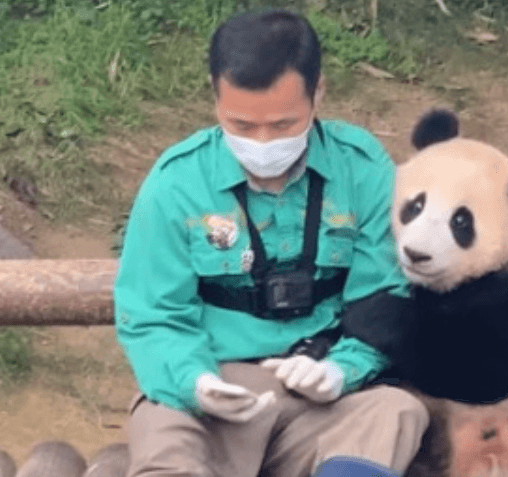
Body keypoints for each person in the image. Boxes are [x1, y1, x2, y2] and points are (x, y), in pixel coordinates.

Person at [113, 8, 429, 477]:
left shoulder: (362, 169)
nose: (262, 143)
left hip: (320, 393)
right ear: (214, 95)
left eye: (283, 125)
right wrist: (194, 382)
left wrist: (341, 370)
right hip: (213, 391)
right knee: (164, 428)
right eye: (241, 125)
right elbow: (150, 313)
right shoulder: (176, 183)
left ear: (318, 92)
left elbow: (386, 296)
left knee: (395, 411)